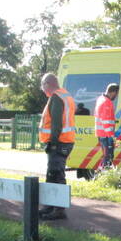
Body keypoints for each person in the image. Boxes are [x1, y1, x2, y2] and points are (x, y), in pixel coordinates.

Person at [38, 73, 76, 220]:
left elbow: (56, 123)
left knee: (56, 175)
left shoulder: (56, 97)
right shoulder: (66, 95)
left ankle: (58, 210)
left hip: (59, 142)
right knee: (52, 174)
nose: (42, 89)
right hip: (65, 141)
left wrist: (52, 143)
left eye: (42, 86)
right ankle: (49, 206)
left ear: (47, 84)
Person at [95, 82, 119, 168]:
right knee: (108, 158)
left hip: (101, 134)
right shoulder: (107, 102)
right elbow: (106, 121)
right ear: (113, 92)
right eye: (116, 94)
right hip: (106, 135)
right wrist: (111, 137)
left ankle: (102, 174)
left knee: (106, 156)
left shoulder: (100, 99)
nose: (116, 97)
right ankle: (103, 175)